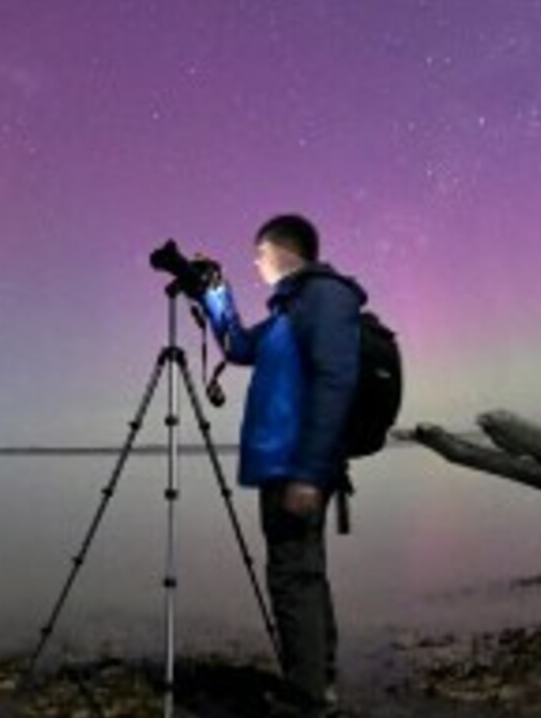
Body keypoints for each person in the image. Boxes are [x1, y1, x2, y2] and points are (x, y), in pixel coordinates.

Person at [198, 213, 365, 716]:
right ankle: (319, 680)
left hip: (298, 466)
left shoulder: (324, 299)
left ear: (280, 252)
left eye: (258, 254)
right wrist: (215, 294)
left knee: (293, 577)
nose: (255, 263)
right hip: (285, 466)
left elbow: (336, 382)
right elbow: (239, 347)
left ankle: (308, 697)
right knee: (302, 573)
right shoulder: (289, 309)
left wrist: (310, 473)